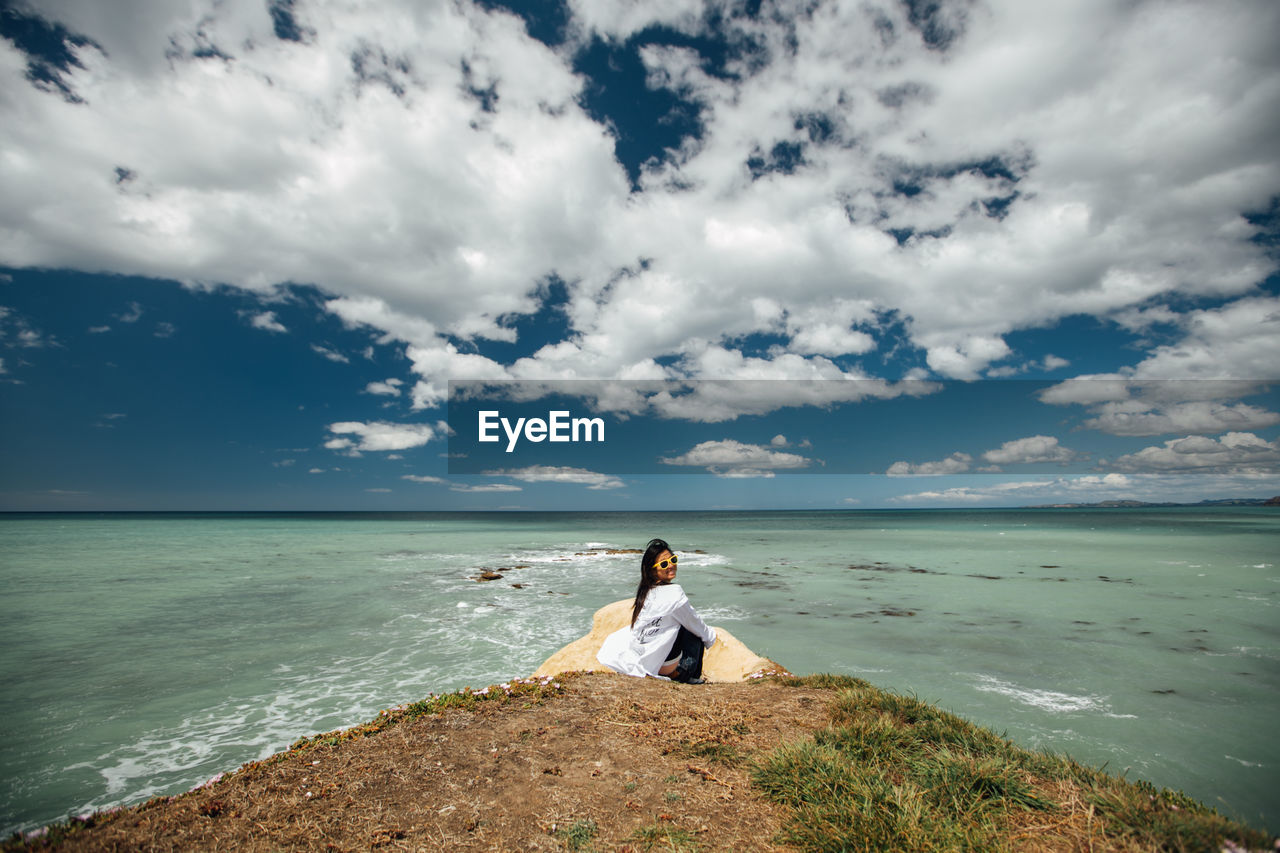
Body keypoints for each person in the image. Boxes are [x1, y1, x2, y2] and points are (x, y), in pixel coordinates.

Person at [596, 538, 717, 683]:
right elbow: (695, 624)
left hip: (644, 661)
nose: (671, 565)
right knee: (694, 631)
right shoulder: (674, 593)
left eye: (673, 559)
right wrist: (711, 637)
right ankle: (685, 675)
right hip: (666, 666)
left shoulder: (645, 593)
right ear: (653, 571)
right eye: (664, 563)